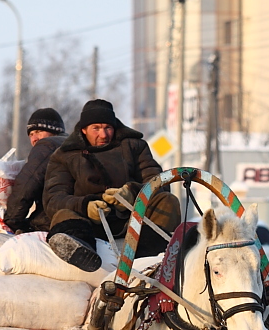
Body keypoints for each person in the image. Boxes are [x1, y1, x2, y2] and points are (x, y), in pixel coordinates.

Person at [42, 98, 181, 272]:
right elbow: (53, 198)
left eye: (108, 127)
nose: (103, 134)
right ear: (84, 129)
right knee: (63, 214)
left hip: (134, 222)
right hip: (88, 224)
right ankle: (81, 254)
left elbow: (157, 182)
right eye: (96, 128)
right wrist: (86, 206)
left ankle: (148, 261)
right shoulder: (64, 156)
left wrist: (132, 193)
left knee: (167, 201)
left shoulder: (134, 146)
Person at [3, 108, 67, 234]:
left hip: (50, 223)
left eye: (38, 131)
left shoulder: (47, 145)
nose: (34, 138)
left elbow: (26, 185)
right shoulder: (73, 145)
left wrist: (11, 221)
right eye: (31, 134)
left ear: (54, 130)